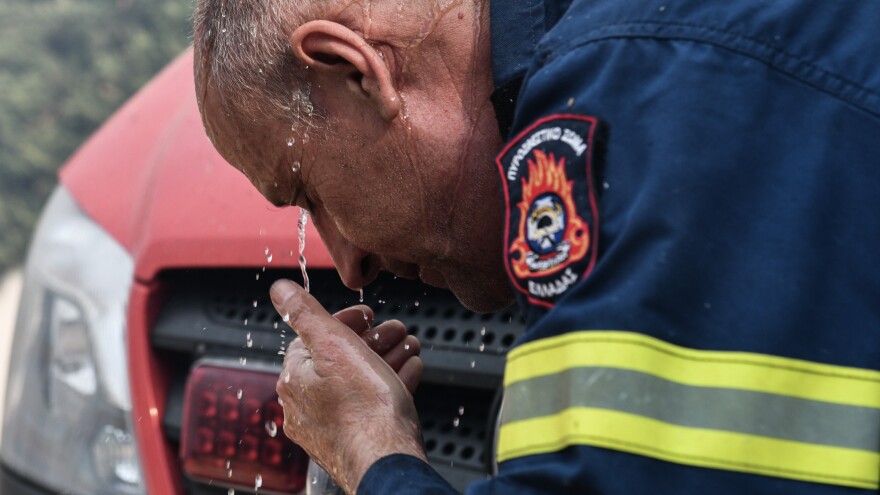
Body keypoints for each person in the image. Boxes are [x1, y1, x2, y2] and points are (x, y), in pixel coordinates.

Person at [192, 0, 880, 493]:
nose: (348, 264)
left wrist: (369, 453)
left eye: (309, 194)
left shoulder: (651, 77)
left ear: (354, 71)